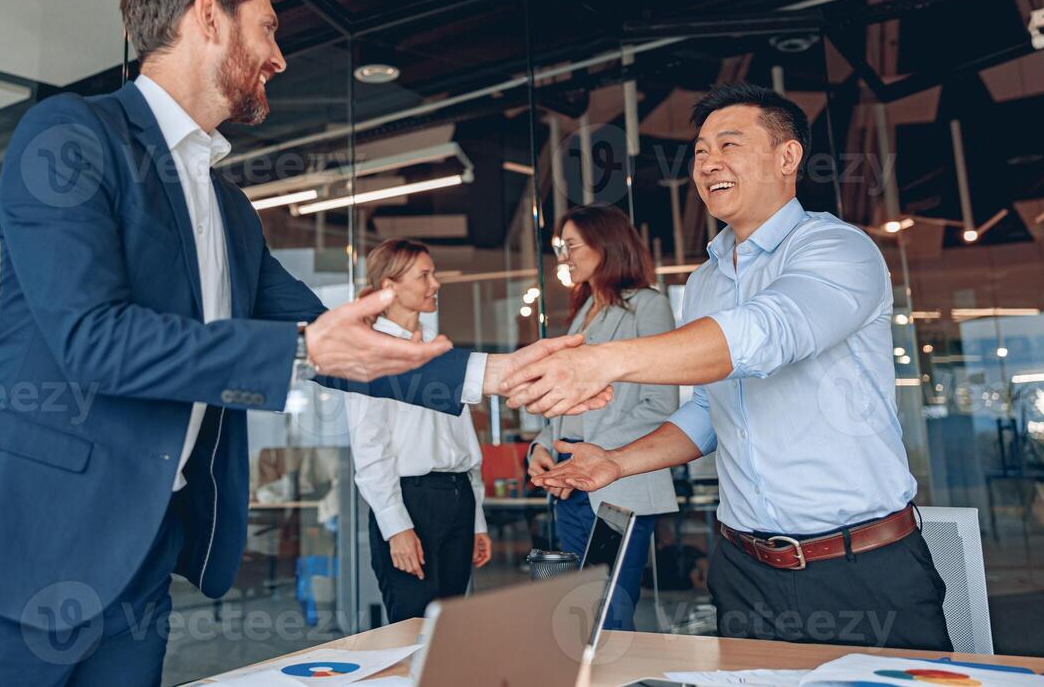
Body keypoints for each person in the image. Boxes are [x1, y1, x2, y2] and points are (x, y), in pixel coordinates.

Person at [0, 0, 606, 686]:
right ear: (207, 19)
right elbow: (91, 340)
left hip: (138, 571)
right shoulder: (73, 136)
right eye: (267, 28)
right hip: (8, 556)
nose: (280, 56)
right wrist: (302, 345)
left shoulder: (229, 209)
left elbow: (348, 343)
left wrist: (498, 372)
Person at [519, 84, 951, 651]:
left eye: (729, 144)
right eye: (699, 151)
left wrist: (602, 362)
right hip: (744, 571)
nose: (708, 163)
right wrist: (618, 463)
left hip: (861, 566)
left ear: (787, 157)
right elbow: (706, 408)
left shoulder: (838, 250)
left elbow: (770, 332)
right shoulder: (705, 282)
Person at [527, 204, 678, 631]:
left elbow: (659, 407)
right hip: (571, 489)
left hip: (619, 489)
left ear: (604, 245)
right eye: (561, 247)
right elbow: (568, 407)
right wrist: (542, 446)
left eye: (571, 246)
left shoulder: (647, 307)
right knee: (576, 617)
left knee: (610, 614)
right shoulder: (584, 311)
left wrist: (590, 454)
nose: (564, 257)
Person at [346, 239, 492, 623]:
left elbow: (465, 441)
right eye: (424, 275)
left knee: (449, 632)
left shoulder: (439, 351)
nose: (436, 283)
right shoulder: (372, 353)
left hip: (458, 498)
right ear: (391, 286)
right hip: (411, 502)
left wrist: (476, 520)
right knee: (411, 633)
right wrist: (396, 528)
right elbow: (369, 450)